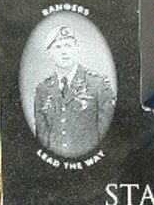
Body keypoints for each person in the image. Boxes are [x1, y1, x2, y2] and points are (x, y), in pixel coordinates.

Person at [33, 24, 115, 159]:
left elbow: (108, 133)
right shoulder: (42, 90)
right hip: (55, 168)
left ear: (77, 49)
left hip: (91, 164)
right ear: (49, 53)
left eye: (68, 46)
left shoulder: (97, 84)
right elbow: (42, 137)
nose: (64, 52)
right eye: (58, 47)